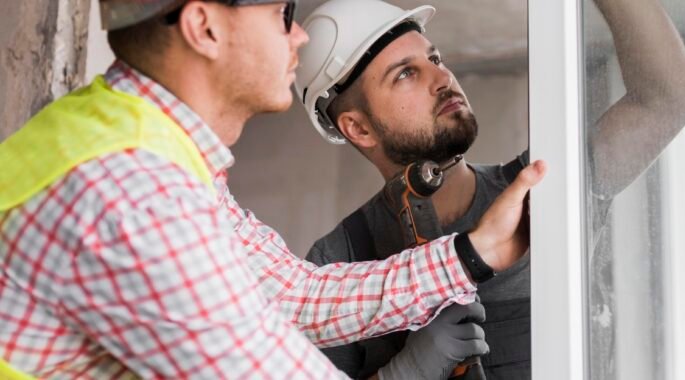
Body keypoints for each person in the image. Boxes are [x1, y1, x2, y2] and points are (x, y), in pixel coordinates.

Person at [0, 0, 547, 378]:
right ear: (204, 28)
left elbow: (298, 298)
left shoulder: (146, 144)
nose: (298, 33)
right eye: (281, 14)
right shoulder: (134, 195)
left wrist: (473, 254)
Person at [294, 0, 685, 379]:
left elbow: (670, 96)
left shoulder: (541, 187)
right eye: (406, 73)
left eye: (435, 58)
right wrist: (406, 373)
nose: (442, 78)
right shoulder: (335, 265)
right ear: (358, 128)